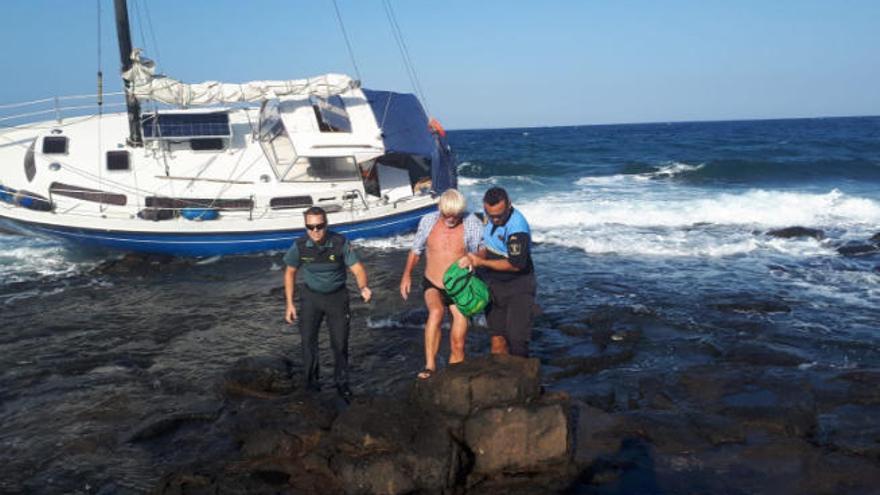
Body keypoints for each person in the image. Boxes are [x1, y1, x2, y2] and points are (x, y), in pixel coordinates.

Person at [283, 206, 372, 399]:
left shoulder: (340, 242)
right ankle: (311, 385)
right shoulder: (299, 246)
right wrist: (289, 304)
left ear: (326, 224)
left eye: (320, 226)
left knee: (339, 344)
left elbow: (357, 269)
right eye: (310, 227)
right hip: (311, 298)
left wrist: (363, 287)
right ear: (306, 227)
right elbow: (290, 272)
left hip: (337, 298)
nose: (315, 231)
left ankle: (342, 384)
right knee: (308, 343)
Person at [400, 189, 483, 379]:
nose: (451, 219)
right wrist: (407, 275)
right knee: (436, 312)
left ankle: (457, 368)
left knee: (458, 341)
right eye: (447, 214)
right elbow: (415, 251)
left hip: (460, 286)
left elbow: (482, 251)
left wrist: (473, 257)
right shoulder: (428, 221)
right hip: (433, 282)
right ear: (440, 209)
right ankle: (430, 365)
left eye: (456, 215)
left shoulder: (472, 223)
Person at [459, 187, 536, 357]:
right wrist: (474, 257)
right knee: (497, 337)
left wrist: (482, 262)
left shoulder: (517, 228)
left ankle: (523, 379)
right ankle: (500, 379)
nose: (495, 219)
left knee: (517, 340)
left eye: (499, 215)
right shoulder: (489, 216)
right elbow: (489, 247)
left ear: (509, 205)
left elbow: (516, 265)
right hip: (494, 284)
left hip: (519, 285)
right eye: (490, 215)